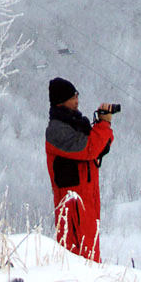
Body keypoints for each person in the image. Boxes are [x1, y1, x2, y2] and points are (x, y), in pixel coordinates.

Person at [44, 77, 114, 262]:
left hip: (86, 199)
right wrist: (104, 125)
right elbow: (89, 149)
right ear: (61, 101)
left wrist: (102, 126)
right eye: (73, 97)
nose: (77, 100)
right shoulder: (57, 131)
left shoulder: (75, 123)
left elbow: (100, 146)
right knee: (77, 257)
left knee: (89, 252)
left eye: (77, 95)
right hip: (72, 203)